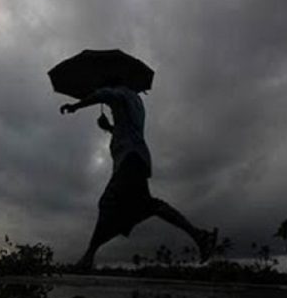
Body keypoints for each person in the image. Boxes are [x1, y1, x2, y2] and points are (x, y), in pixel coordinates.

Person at [60, 80, 217, 270]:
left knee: (112, 203)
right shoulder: (136, 101)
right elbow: (127, 130)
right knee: (141, 207)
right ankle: (200, 236)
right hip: (135, 159)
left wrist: (76, 106)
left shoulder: (120, 92)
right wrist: (108, 127)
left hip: (130, 159)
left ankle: (88, 257)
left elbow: (104, 94)